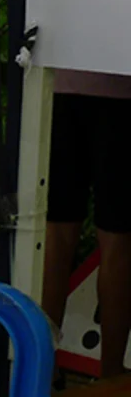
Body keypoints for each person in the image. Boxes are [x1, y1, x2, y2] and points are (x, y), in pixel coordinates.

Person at [41, 69, 131, 381]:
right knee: (118, 241)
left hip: (59, 84)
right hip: (121, 91)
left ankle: (43, 366)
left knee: (55, 233)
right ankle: (111, 376)